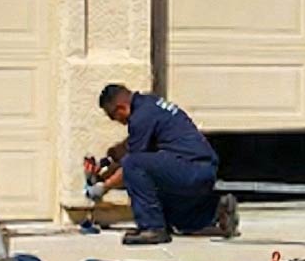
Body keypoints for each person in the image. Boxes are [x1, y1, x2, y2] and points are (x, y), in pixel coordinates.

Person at [89, 84, 238, 245]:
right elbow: (129, 148)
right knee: (178, 222)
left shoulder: (141, 117)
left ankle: (152, 228)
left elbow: (130, 166)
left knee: (134, 165)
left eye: (112, 116)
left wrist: (103, 187)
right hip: (200, 169)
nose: (116, 121)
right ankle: (216, 211)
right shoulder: (148, 104)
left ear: (120, 108)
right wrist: (108, 160)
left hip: (190, 168)